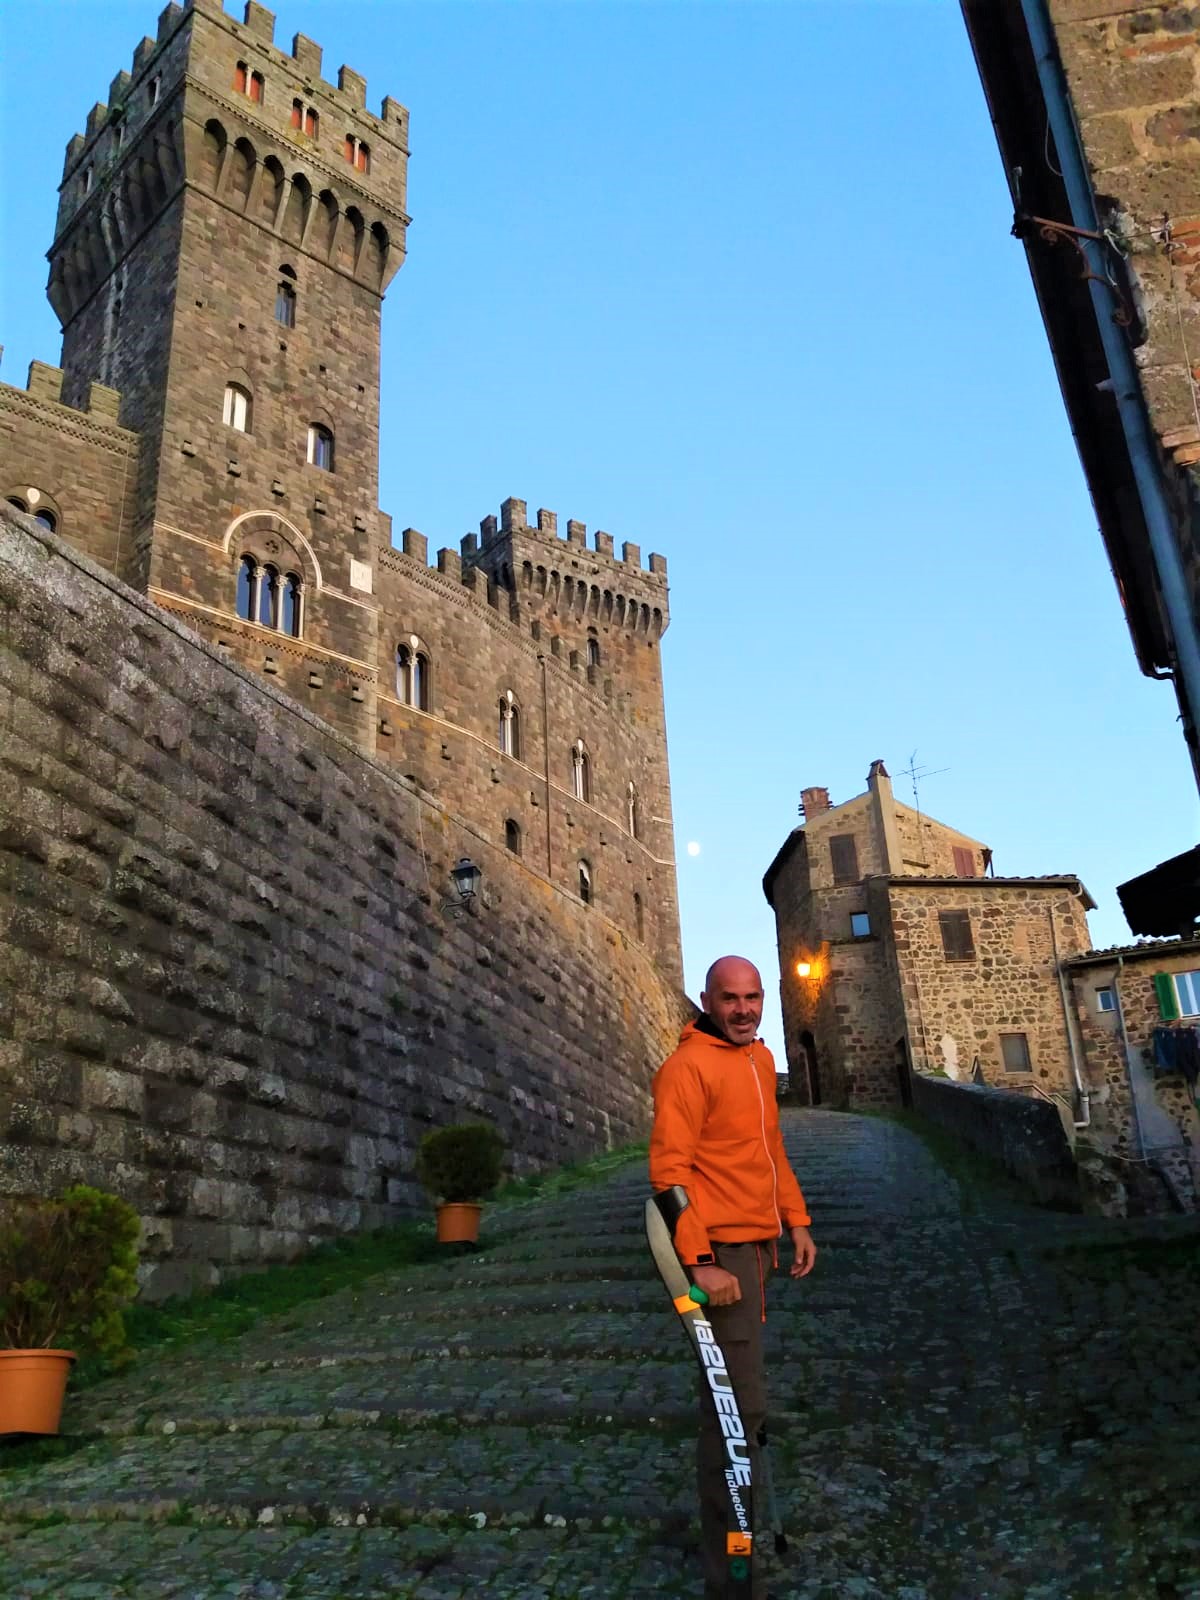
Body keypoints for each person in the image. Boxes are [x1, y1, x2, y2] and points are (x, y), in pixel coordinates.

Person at [649, 954, 816, 1600]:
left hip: (754, 1252)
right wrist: (700, 1263)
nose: (743, 1010)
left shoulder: (759, 1062)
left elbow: (770, 1151)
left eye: (752, 997)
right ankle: (732, 1580)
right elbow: (669, 1175)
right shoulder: (686, 1069)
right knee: (736, 1416)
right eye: (730, 998)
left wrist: (796, 1221)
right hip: (717, 1257)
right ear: (707, 1000)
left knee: (734, 1411)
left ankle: (732, 1569)